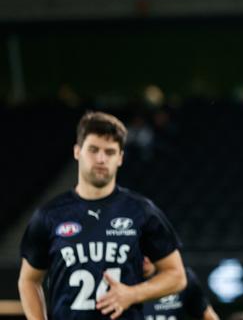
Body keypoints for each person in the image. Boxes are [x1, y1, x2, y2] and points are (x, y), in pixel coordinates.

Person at [18, 111, 187, 320]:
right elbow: (28, 280)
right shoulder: (49, 215)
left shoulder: (142, 211)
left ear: (120, 158)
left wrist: (133, 294)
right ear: (77, 151)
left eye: (109, 152)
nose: (100, 158)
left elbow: (177, 276)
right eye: (93, 149)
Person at [142, 257, 220, 320]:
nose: (145, 257)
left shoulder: (183, 278)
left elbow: (209, 316)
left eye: (148, 249)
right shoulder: (130, 280)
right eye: (140, 250)